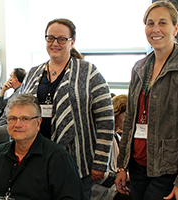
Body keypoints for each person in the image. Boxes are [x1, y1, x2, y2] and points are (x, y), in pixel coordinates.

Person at [19, 18, 114, 199]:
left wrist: (101, 162)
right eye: (50, 38)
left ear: (72, 41)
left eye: (62, 39)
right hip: (36, 158)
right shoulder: (33, 73)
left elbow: (106, 121)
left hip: (77, 161)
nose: (55, 43)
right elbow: (20, 110)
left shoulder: (89, 72)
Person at [116, 1, 178, 200]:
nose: (155, 29)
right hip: (137, 167)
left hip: (169, 170)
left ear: (176, 28)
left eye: (163, 23)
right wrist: (122, 166)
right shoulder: (139, 68)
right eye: (150, 23)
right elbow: (129, 123)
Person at [0, 94, 84, 200]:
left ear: (38, 123)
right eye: (12, 118)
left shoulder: (59, 159)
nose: (17, 124)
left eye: (25, 119)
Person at [91, 94, 128, 200]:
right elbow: (99, 177)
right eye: (126, 116)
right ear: (116, 112)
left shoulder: (117, 137)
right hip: (99, 193)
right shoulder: (103, 137)